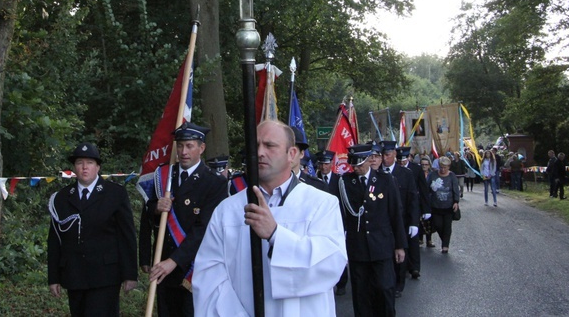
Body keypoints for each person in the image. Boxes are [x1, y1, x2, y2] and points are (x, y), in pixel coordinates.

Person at [192, 120, 347, 315]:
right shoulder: (227, 210)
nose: (260, 152)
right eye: (255, 145)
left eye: (269, 145)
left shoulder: (321, 204)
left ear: (291, 154)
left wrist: (275, 235)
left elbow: (329, 265)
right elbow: (209, 277)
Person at [147, 122, 228, 317]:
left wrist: (174, 261)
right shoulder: (165, 176)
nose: (183, 151)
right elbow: (147, 214)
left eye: (190, 146)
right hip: (164, 267)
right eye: (180, 145)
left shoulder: (215, 183)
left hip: (196, 269)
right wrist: (156, 209)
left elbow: (204, 229)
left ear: (201, 148)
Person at [47, 143, 137, 316]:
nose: (84, 167)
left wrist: (130, 274)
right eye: (80, 162)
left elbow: (127, 237)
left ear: (98, 167)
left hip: (105, 275)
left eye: (89, 162)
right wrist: (54, 277)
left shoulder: (115, 194)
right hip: (74, 275)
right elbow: (54, 241)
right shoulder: (62, 198)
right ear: (74, 167)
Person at [339, 143, 406, 317]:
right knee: (361, 293)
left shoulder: (385, 180)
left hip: (382, 245)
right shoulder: (345, 182)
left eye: (360, 164)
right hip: (357, 247)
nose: (357, 168)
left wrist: (400, 245)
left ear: (369, 160)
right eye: (354, 165)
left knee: (385, 288)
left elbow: (395, 214)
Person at [381, 142, 419, 298]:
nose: (384, 159)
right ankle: (387, 282)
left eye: (387, 155)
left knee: (400, 252)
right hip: (384, 222)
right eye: (382, 155)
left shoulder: (405, 173)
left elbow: (412, 199)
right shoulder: (377, 174)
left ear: (394, 155)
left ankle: (399, 284)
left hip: (402, 221)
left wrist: (414, 222)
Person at [400, 146, 430, 280]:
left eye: (404, 159)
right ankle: (403, 264)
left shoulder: (416, 169)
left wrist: (426, 209)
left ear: (408, 158)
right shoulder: (394, 169)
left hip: (413, 207)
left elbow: (423, 189)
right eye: (399, 159)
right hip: (400, 208)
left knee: (413, 239)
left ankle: (415, 267)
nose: (401, 161)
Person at [426, 156, 460, 254]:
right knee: (437, 224)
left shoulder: (452, 176)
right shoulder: (433, 175)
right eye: (441, 167)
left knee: (447, 226)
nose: (443, 169)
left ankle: (445, 245)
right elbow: (427, 188)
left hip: (448, 206)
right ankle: (444, 240)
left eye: (445, 167)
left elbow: (455, 190)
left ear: (449, 167)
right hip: (435, 205)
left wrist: (456, 202)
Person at [418, 156, 435, 248]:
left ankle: (429, 240)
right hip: (420, 199)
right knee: (420, 220)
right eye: (422, 164)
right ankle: (420, 239)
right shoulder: (417, 173)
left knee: (429, 221)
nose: (424, 166)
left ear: (429, 165)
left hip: (430, 200)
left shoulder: (432, 175)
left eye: (426, 164)